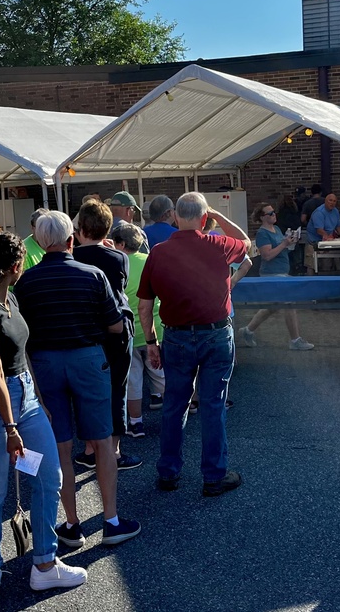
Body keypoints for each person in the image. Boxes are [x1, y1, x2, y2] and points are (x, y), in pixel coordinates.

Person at [0, 233, 86, 605]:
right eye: (24, 261)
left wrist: (37, 402)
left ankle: (44, 564)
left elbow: (19, 359)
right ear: (15, 265)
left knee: (48, 477)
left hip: (24, 398)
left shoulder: (9, 299)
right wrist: (11, 427)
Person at [14, 211, 140, 548]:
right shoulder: (94, 275)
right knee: (101, 440)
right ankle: (111, 520)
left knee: (59, 446)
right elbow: (115, 325)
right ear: (72, 240)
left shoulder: (25, 282)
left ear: (39, 242)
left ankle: (71, 523)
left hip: (44, 363)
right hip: (87, 358)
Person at [137, 192, 250, 497]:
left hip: (177, 335)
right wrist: (218, 215)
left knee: (175, 404)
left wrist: (151, 342)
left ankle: (169, 472)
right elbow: (246, 243)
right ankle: (213, 476)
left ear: (175, 217)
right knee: (212, 404)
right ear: (204, 218)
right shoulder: (218, 244)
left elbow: (145, 306)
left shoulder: (158, 253)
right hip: (215, 333)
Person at [72, 200, 141, 471]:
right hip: (116, 334)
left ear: (80, 229)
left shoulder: (73, 257)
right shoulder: (118, 258)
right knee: (116, 389)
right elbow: (120, 287)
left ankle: (90, 449)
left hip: (84, 333)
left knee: (86, 392)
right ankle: (113, 450)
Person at [110, 222, 167, 428]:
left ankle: (136, 423)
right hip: (155, 328)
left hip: (127, 333)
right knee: (162, 376)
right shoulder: (152, 260)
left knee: (133, 381)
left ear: (121, 243)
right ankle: (174, 418)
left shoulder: (114, 263)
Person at [237, 203, 314, 352]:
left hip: (282, 270)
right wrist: (284, 243)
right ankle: (295, 340)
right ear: (262, 217)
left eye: (274, 212)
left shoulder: (277, 229)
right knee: (289, 302)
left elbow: (281, 249)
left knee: (272, 306)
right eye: (270, 213)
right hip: (272, 273)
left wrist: (289, 243)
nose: (274, 215)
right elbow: (267, 255)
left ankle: (247, 330)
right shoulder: (262, 234)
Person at [305, 193, 340, 275]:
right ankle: (310, 283)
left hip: (326, 242)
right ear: (325, 201)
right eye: (330, 200)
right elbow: (319, 230)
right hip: (313, 242)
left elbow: (339, 227)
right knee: (312, 266)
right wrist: (329, 238)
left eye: (334, 201)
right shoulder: (319, 212)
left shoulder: (335, 211)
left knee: (326, 265)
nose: (332, 203)